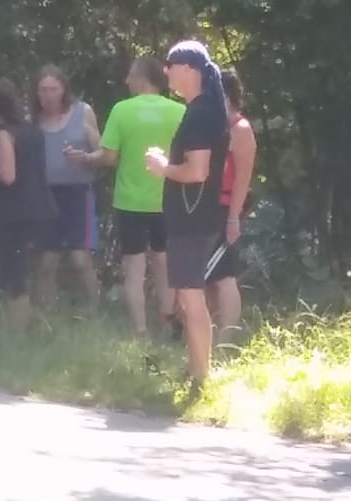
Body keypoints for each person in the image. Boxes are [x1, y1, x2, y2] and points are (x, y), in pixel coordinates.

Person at [67, 56, 184, 336]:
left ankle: (140, 329)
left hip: (130, 201)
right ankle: (167, 322)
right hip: (168, 199)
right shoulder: (180, 111)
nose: (126, 80)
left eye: (131, 75)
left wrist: (86, 158)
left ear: (143, 79)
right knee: (164, 262)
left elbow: (108, 157)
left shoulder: (122, 110)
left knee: (134, 266)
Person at [143, 41, 229, 392]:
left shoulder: (200, 113)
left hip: (193, 219)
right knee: (187, 296)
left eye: (171, 64)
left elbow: (197, 171)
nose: (166, 71)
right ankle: (197, 371)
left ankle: (201, 377)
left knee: (191, 298)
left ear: (189, 69)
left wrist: (163, 167)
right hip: (195, 217)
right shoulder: (205, 109)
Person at [0, 78, 57, 330]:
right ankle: (33, 321)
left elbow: (8, 175)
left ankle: (17, 331)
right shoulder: (33, 130)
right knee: (23, 268)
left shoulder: (5, 133)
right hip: (41, 207)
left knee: (12, 273)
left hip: (16, 214)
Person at [33, 65, 101, 308]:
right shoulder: (33, 120)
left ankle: (95, 311)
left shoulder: (82, 112)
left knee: (80, 259)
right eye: (43, 90)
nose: (48, 95)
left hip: (78, 192)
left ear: (64, 89)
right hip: (46, 195)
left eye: (53, 89)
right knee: (47, 262)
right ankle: (46, 315)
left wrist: (86, 158)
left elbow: (104, 152)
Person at [211, 69, 256, 333]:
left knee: (224, 275)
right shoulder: (214, 127)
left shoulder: (241, 129)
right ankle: (210, 333)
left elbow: (243, 178)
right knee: (206, 277)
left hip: (226, 208)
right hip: (205, 208)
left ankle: (227, 340)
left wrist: (232, 218)